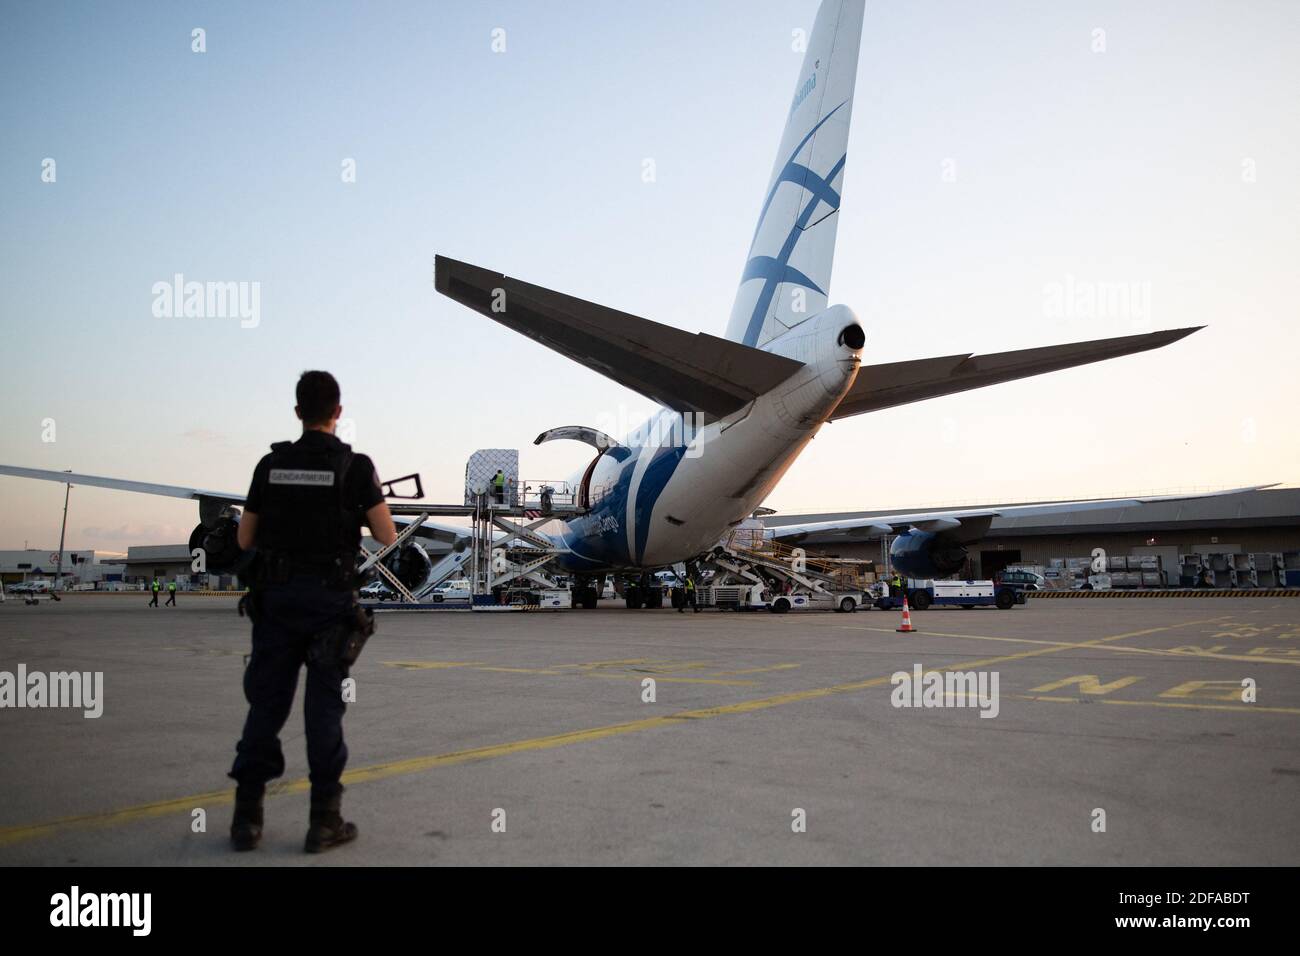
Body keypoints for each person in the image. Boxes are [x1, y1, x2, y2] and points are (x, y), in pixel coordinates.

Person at [228, 371, 398, 854]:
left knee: (266, 707)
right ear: (338, 412)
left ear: (298, 411)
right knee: (323, 713)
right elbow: (386, 535)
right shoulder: (356, 468)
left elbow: (243, 540)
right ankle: (324, 821)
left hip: (277, 602)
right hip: (328, 605)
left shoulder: (270, 465)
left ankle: (247, 818)